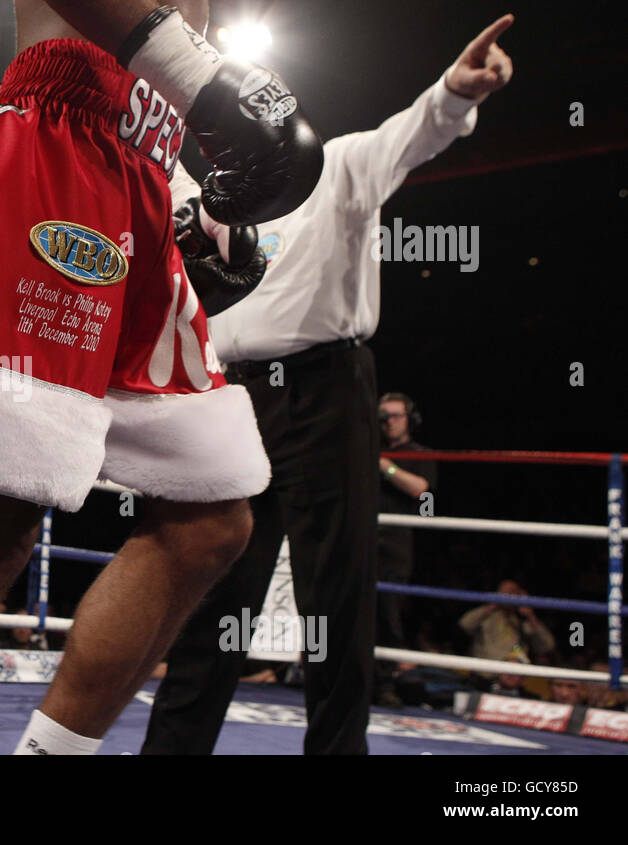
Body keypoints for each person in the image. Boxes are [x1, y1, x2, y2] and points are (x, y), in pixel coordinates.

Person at [0, 0, 323, 754]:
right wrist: (202, 77)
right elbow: (145, 52)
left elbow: (153, 89)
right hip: (57, 144)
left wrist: (184, 201)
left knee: (212, 519)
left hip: (142, 178)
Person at [143, 14, 515, 754]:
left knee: (335, 592)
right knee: (214, 586)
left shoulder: (341, 164)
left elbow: (412, 133)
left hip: (326, 391)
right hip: (232, 398)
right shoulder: (206, 196)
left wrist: (455, 91)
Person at [374, 391, 438, 706]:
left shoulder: (420, 454)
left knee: (388, 614)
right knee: (351, 608)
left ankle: (384, 683)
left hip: (395, 545)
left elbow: (421, 490)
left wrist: (384, 466)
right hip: (361, 538)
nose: (389, 423)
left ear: (409, 419)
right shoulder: (367, 450)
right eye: (383, 417)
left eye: (395, 416)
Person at [458, 578, 556, 663]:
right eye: (504, 592)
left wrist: (530, 615)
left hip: (514, 673)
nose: (508, 596)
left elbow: (547, 645)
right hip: (486, 672)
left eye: (512, 592)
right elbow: (464, 625)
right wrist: (493, 605)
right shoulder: (486, 615)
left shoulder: (523, 621)